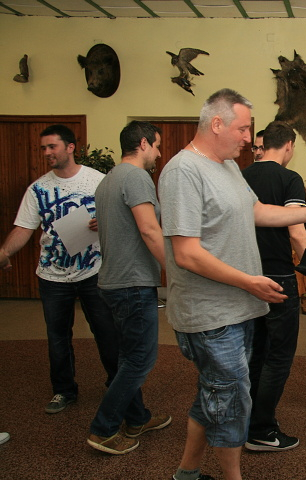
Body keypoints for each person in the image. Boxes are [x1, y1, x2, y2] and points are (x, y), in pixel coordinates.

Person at [159, 88, 306, 480]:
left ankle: (186, 474)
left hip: (237, 307)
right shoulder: (182, 171)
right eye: (242, 129)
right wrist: (249, 282)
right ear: (217, 123)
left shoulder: (227, 166)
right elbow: (186, 253)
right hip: (210, 314)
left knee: (216, 393)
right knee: (231, 404)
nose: (249, 139)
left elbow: (257, 211)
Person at [0, 124, 118, 414]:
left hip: (93, 272)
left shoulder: (98, 181)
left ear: (70, 147)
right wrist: (4, 252)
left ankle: (118, 385)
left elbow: (122, 220)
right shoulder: (38, 189)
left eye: (52, 146)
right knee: (57, 337)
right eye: (43, 148)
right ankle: (64, 391)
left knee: (106, 331)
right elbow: (23, 228)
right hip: (52, 275)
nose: (47, 152)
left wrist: (105, 223)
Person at [87, 121, 172, 455]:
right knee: (139, 360)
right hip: (132, 284)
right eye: (157, 145)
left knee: (128, 358)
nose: (159, 153)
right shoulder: (136, 177)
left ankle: (137, 419)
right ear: (143, 143)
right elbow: (149, 230)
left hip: (113, 282)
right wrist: (176, 272)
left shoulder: (108, 179)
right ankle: (103, 429)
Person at [242, 121, 306, 452]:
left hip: (245, 278)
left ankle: (246, 421)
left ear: (264, 145)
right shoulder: (288, 178)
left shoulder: (241, 176)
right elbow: (296, 232)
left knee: (254, 353)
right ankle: (262, 430)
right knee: (278, 357)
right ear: (289, 146)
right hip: (278, 279)